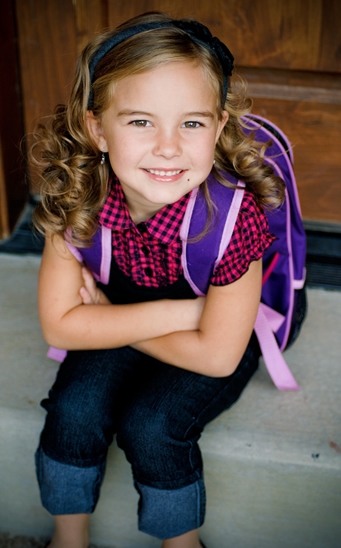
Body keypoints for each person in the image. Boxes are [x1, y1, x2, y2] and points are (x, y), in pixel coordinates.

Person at [32, 11, 285, 548]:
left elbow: (217, 354)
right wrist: (179, 315)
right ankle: (68, 538)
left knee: (151, 425)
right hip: (176, 316)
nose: (168, 146)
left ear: (217, 128)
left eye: (192, 123)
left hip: (219, 332)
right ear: (97, 127)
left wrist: (101, 318)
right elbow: (59, 326)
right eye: (140, 121)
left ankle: (182, 543)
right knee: (75, 410)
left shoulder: (233, 218)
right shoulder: (76, 197)